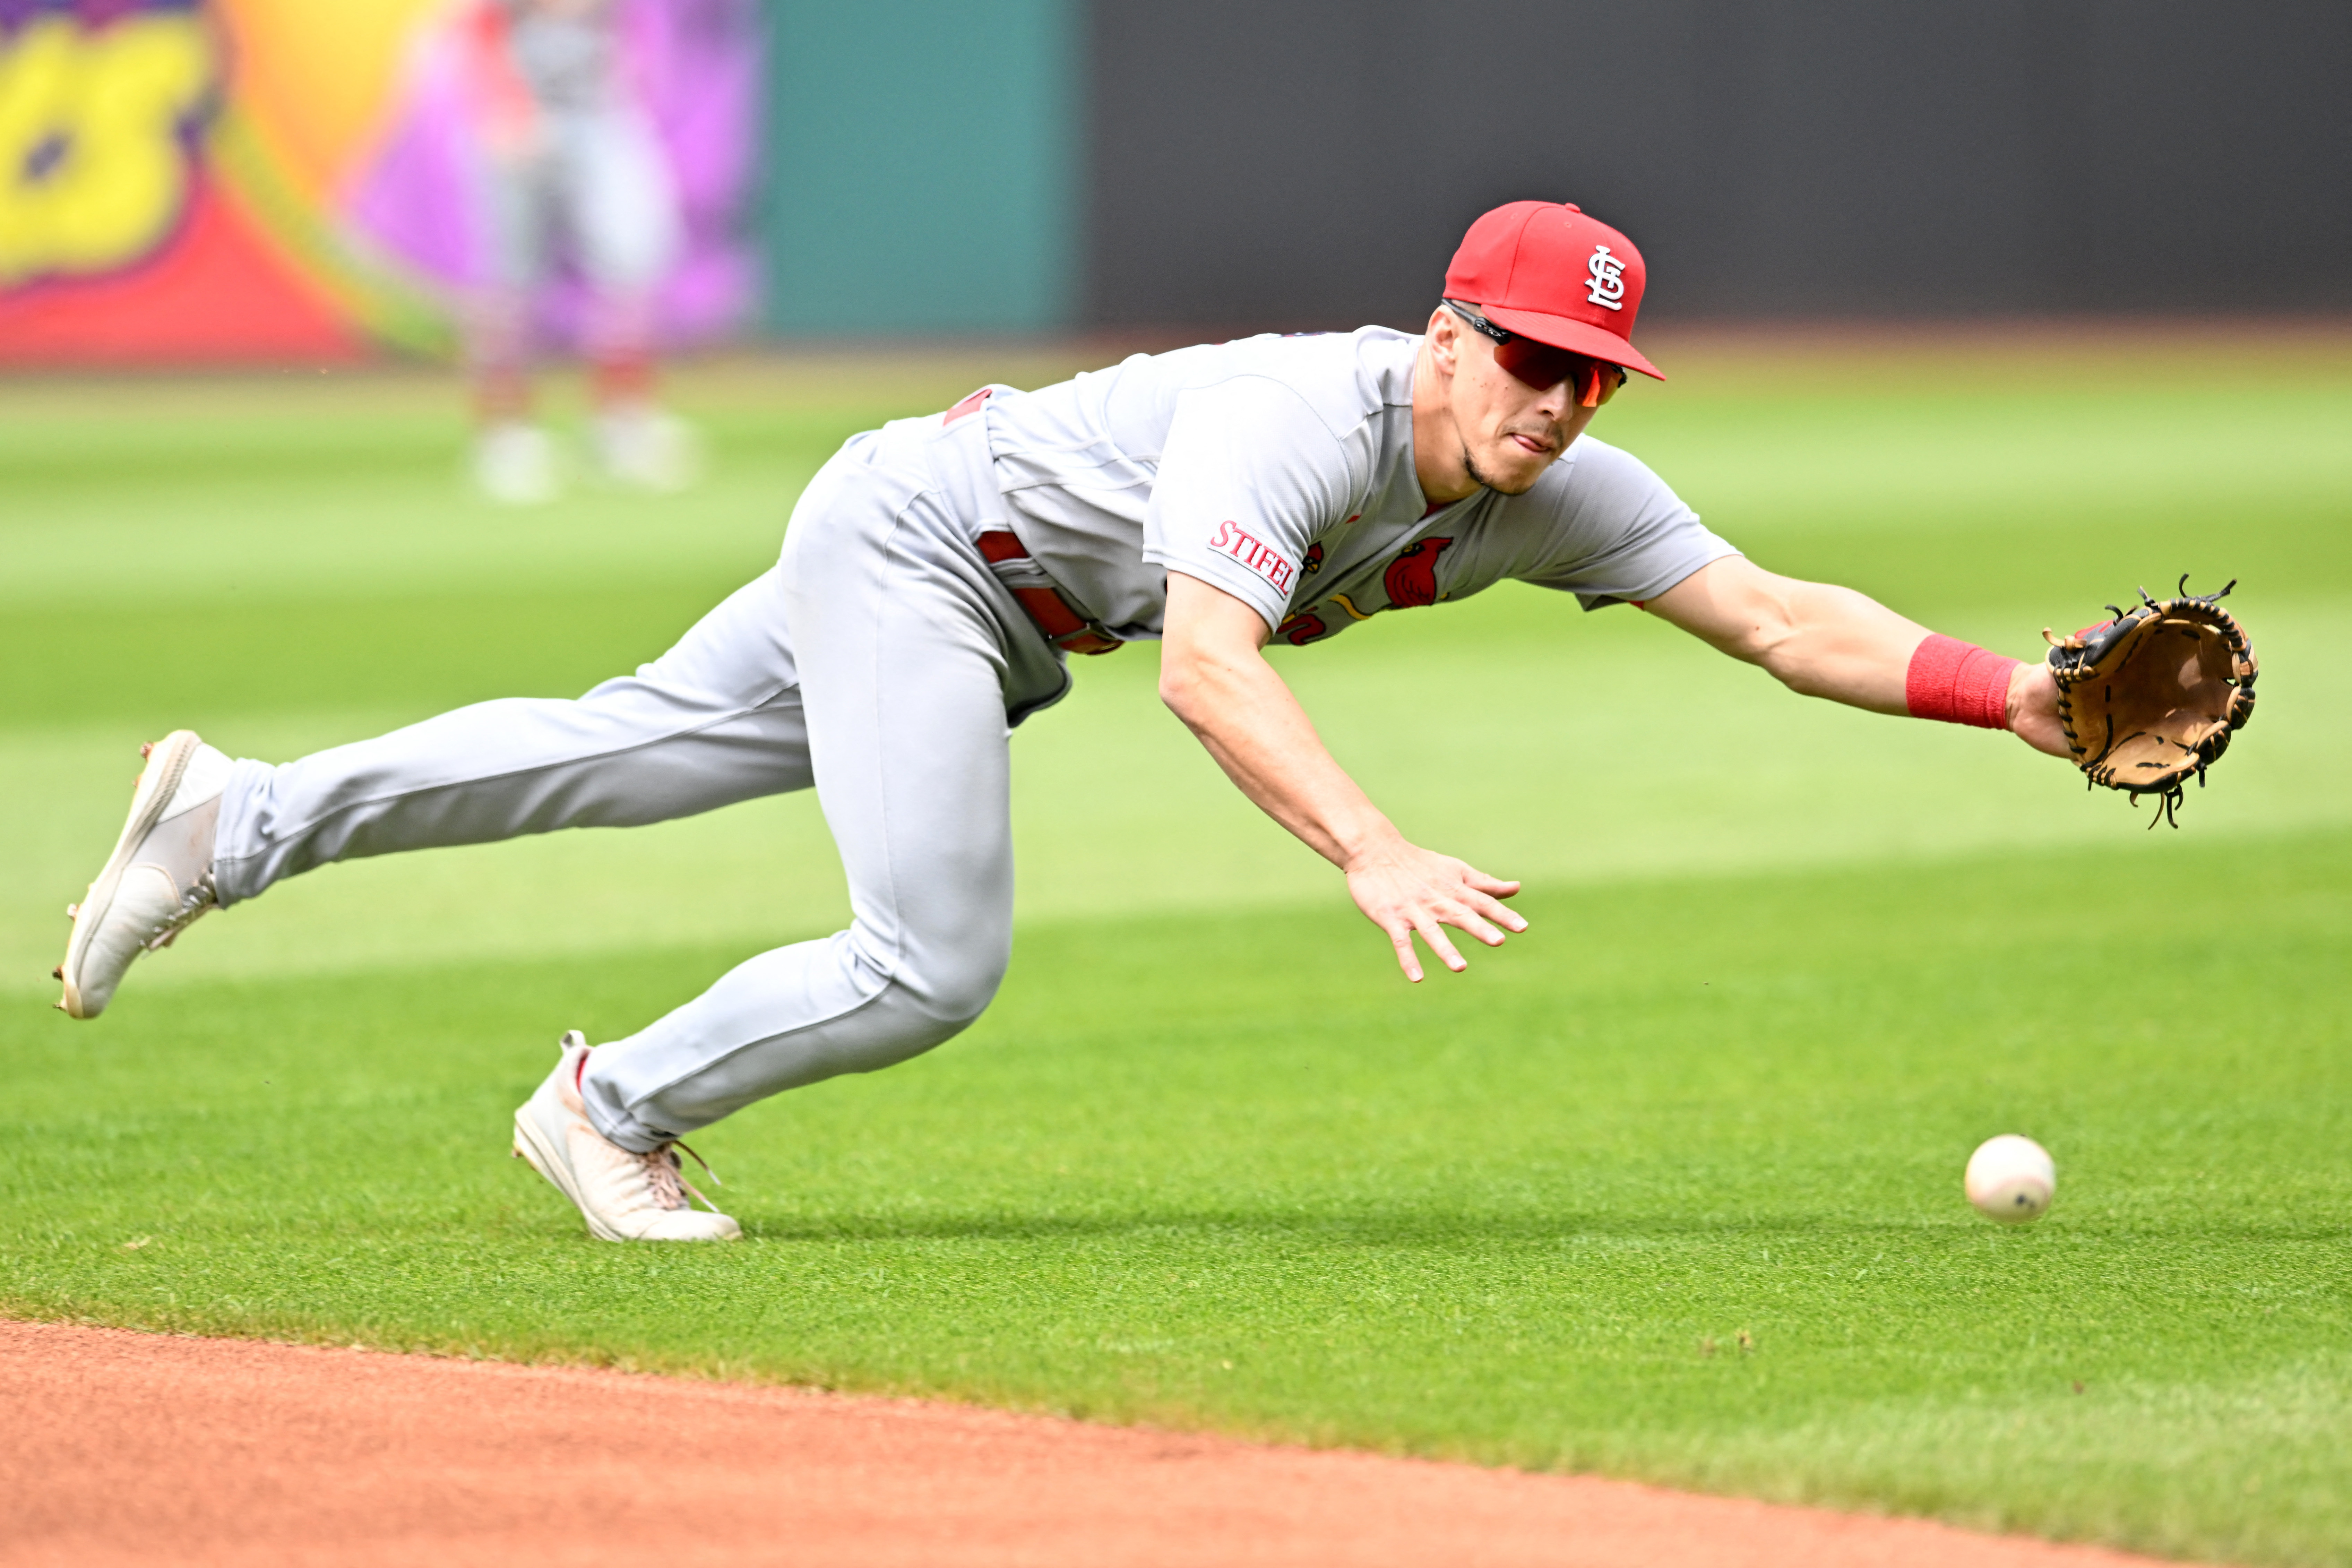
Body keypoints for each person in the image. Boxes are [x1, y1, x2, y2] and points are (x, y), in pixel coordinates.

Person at [53, 201, 2072, 1242]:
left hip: (967, 575)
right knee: (931, 956)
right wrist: (1362, 842)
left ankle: (235, 822)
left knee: (625, 745)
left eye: (1588, 374)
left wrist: (2022, 701)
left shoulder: (1555, 495)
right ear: (1446, 332)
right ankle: (608, 1106)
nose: (1551, 403)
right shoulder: (1310, 413)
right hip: (928, 552)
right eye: (1525, 358)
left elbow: (1779, 616)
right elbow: (1205, 661)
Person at [455, 0, 699, 502]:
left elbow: (629, 32)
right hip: (517, 125)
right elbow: (477, 28)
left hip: (601, 116)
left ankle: (623, 426)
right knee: (505, 286)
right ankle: (506, 438)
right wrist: (507, 104)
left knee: (631, 272)